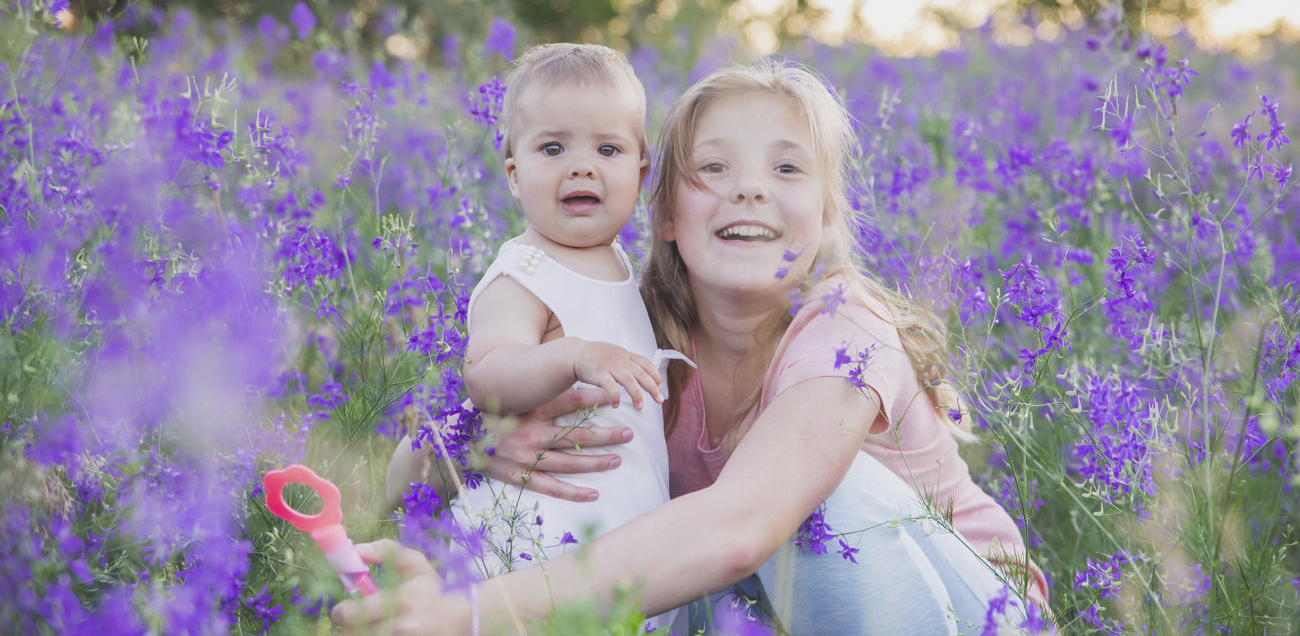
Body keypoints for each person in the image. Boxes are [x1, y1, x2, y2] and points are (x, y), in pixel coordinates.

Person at [345, 60, 1046, 635]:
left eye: (788, 170)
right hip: (767, 608)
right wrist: (468, 445)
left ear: (826, 214)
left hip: (976, 614)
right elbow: (400, 481)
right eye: (713, 168)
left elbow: (740, 529)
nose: (748, 189)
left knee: (814, 510)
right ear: (667, 213)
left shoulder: (846, 332)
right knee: (663, 579)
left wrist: (468, 616)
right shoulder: (626, 335)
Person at [411, 43, 688, 629]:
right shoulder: (524, 275)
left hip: (613, 535)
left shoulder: (617, 264)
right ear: (514, 175)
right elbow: (486, 372)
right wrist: (572, 355)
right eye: (553, 148)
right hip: (531, 539)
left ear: (641, 175)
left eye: (607, 149)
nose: (581, 166)